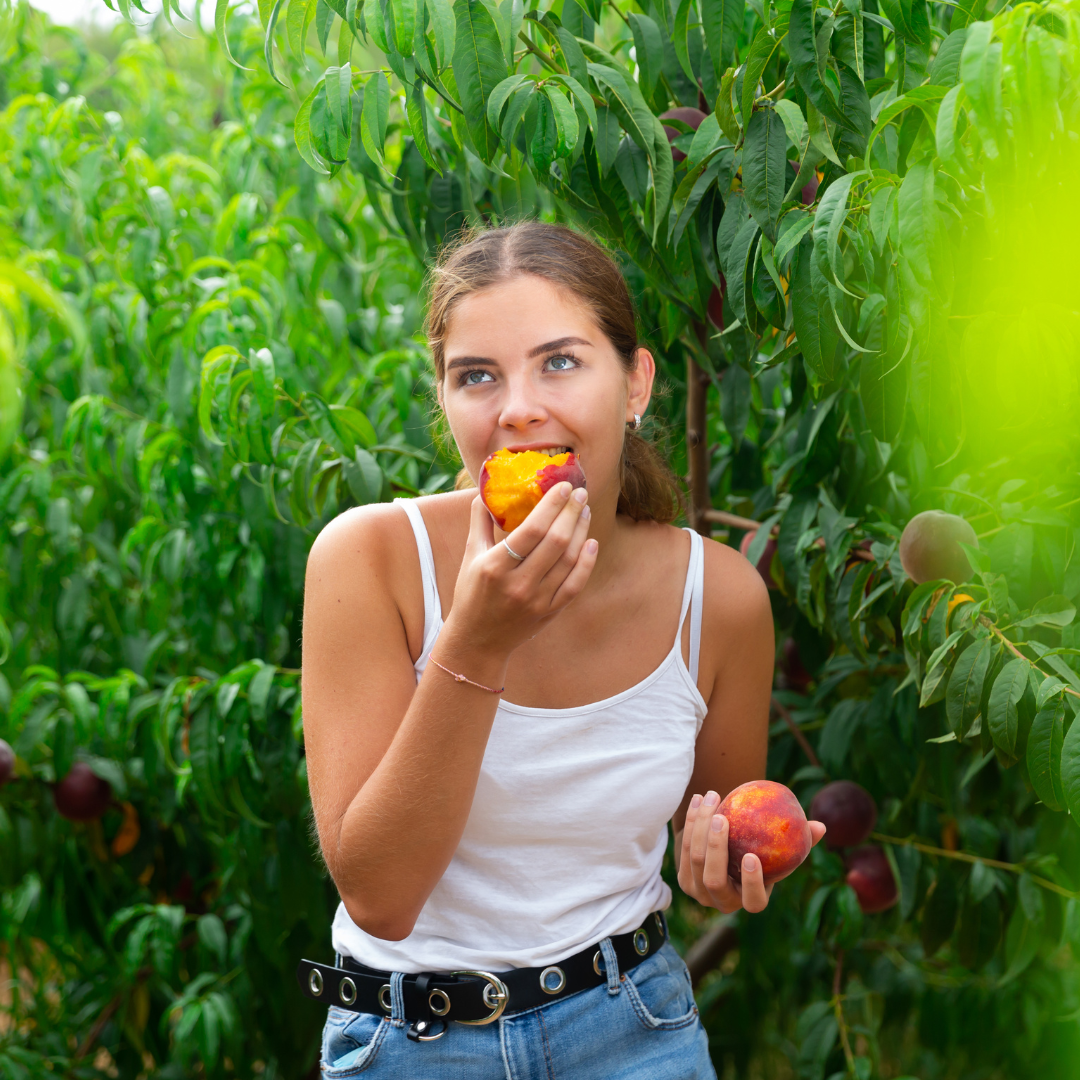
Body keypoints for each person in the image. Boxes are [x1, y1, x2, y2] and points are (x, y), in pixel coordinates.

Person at [300, 222, 826, 1078]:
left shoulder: (719, 598)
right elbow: (381, 899)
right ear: (443, 399)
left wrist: (719, 872)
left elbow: (718, 834)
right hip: (411, 1047)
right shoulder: (367, 561)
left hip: (635, 1033)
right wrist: (476, 642)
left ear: (636, 383)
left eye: (560, 362)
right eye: (477, 376)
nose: (517, 408)